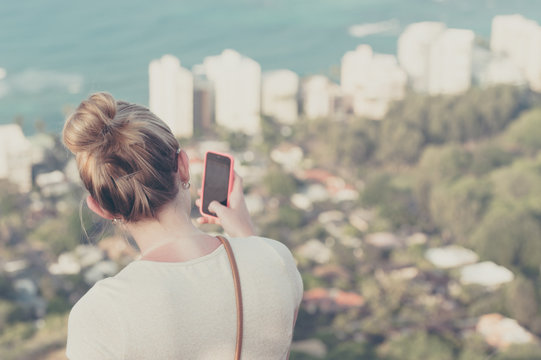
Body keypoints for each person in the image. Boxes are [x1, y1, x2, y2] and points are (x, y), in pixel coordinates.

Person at [63, 92, 303, 359]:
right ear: (184, 166)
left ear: (100, 207)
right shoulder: (275, 259)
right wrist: (247, 237)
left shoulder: (101, 313)